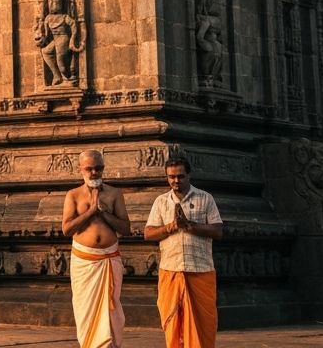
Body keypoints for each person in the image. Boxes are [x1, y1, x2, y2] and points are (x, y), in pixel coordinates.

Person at [145, 156, 223, 347]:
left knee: (204, 323)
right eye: (171, 177)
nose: (176, 181)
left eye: (180, 176)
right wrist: (170, 227)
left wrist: (190, 225)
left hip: (200, 269)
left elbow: (218, 231)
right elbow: (148, 234)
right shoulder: (161, 202)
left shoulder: (205, 198)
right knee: (173, 325)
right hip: (171, 270)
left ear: (189, 175)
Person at [60, 149, 131, 348]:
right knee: (86, 310)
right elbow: (66, 229)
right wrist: (90, 212)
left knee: (112, 310)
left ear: (104, 168)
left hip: (109, 258)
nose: (94, 173)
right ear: (80, 169)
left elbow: (126, 228)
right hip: (84, 261)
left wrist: (104, 213)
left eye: (98, 168)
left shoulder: (115, 194)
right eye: (89, 169)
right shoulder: (73, 195)